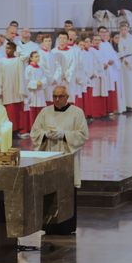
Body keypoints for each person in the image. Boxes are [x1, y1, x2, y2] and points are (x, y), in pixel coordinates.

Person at [31, 86, 89, 235]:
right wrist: (45, 135)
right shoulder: (45, 112)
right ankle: (49, 226)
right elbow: (34, 132)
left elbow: (83, 135)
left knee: (66, 190)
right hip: (48, 157)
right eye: (54, 96)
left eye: (60, 96)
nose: (57, 99)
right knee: (48, 191)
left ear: (67, 97)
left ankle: (66, 226)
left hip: (67, 159)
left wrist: (64, 135)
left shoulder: (77, 113)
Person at [0, 40, 25, 133]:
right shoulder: (1, 61)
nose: (7, 50)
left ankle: (16, 130)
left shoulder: (18, 61)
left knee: (16, 111)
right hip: (6, 89)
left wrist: (21, 90)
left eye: (9, 48)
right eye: (6, 48)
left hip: (16, 89)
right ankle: (8, 131)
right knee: (8, 110)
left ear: (14, 49)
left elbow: (21, 76)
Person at [22, 51, 51, 137]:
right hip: (32, 92)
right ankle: (33, 130)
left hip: (40, 92)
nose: (37, 58)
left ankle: (40, 129)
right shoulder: (28, 68)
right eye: (35, 56)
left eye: (38, 56)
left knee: (40, 111)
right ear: (31, 58)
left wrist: (41, 83)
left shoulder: (41, 68)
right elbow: (26, 80)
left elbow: (44, 78)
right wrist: (35, 83)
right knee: (32, 110)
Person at [115, 22, 132, 112]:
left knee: (129, 84)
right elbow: (115, 49)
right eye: (121, 29)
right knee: (121, 85)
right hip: (120, 63)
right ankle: (122, 105)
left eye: (125, 29)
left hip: (128, 63)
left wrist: (128, 61)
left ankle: (130, 105)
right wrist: (119, 57)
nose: (123, 31)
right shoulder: (118, 38)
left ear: (128, 29)